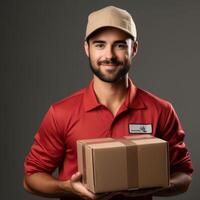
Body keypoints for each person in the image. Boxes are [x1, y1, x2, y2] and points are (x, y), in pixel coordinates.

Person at [23, 5, 193, 200]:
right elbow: (31, 178)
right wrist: (67, 187)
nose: (109, 55)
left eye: (120, 45)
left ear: (134, 49)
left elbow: (184, 175)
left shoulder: (161, 110)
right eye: (100, 44)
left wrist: (155, 187)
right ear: (87, 48)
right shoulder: (61, 113)